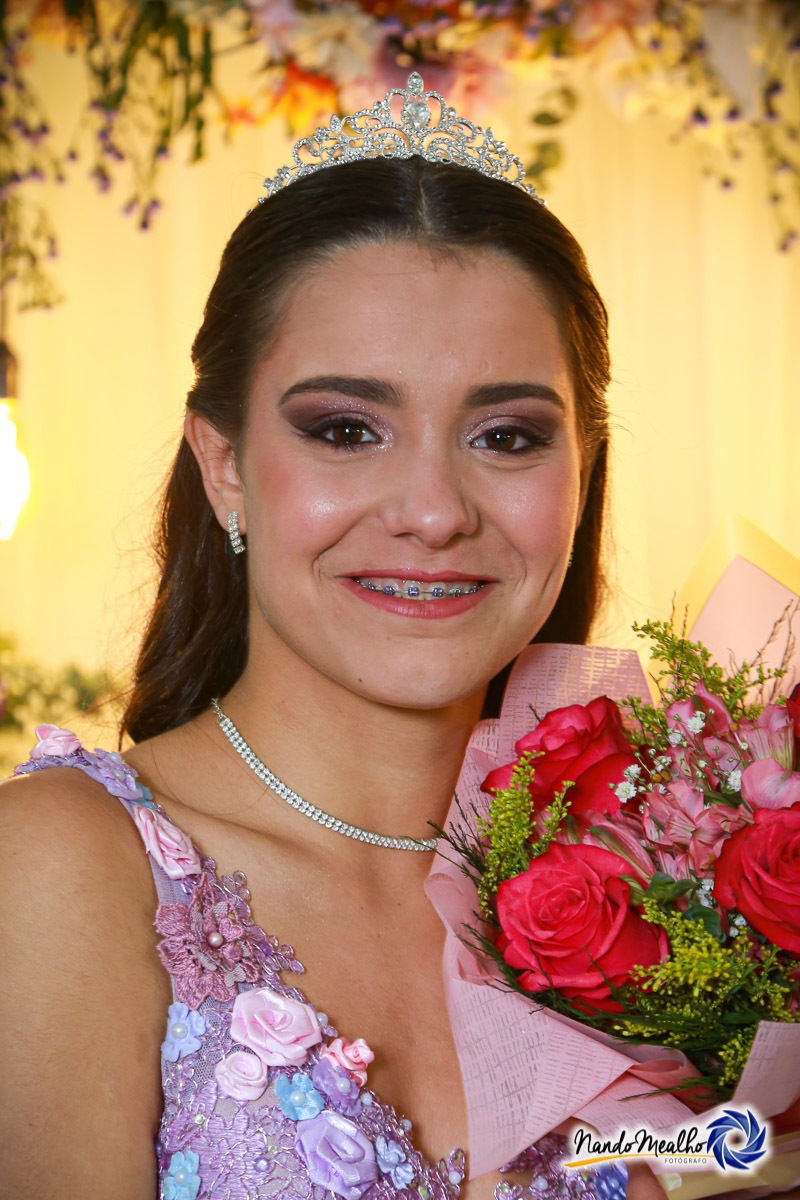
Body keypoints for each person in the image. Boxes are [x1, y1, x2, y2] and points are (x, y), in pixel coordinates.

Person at [0, 75, 672, 1200]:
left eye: (506, 436)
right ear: (224, 467)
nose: (433, 512)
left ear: (581, 471)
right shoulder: (61, 867)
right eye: (348, 430)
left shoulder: (657, 890)